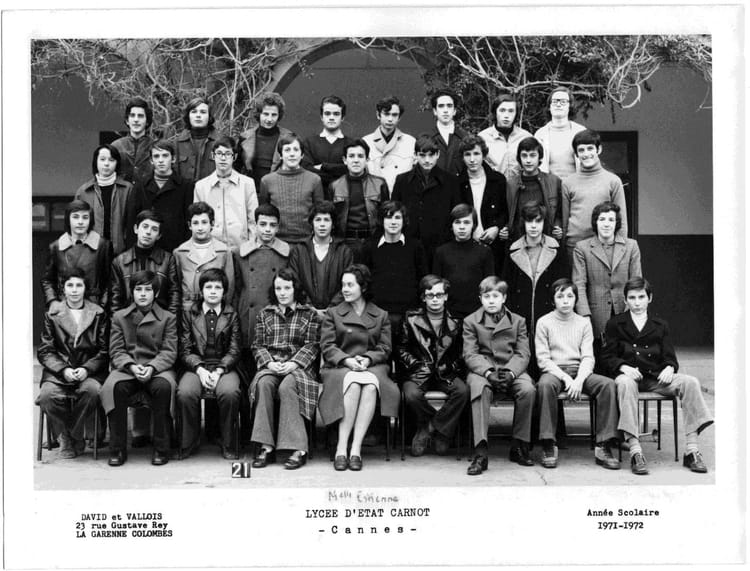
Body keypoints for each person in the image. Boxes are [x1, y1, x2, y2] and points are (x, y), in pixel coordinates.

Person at [601, 277, 714, 475]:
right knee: (625, 384)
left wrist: (670, 367)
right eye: (632, 298)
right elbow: (607, 357)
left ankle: (692, 450)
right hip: (628, 378)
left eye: (641, 297)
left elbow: (670, 357)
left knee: (690, 382)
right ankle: (635, 451)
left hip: (655, 379)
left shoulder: (660, 324)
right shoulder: (615, 323)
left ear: (650, 298)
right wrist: (623, 367)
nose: (637, 303)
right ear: (625, 300)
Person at [318, 264, 400, 471]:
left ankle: (355, 449)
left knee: (371, 386)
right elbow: (327, 346)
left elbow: (385, 347)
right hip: (339, 367)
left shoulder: (380, 315)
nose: (344, 289)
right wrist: (346, 360)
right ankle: (341, 447)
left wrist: (368, 359)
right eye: (343, 285)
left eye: (350, 285)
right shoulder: (333, 313)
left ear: (363, 287)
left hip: (371, 366)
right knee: (353, 385)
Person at [534, 278, 620, 469]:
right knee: (544, 385)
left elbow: (588, 357)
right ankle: (548, 443)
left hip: (580, 371)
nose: (565, 301)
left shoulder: (583, 323)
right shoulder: (544, 322)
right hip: (555, 372)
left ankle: (604, 445)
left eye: (570, 296)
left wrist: (579, 380)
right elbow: (543, 360)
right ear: (553, 300)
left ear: (576, 299)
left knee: (607, 385)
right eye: (560, 296)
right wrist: (566, 378)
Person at [101, 270, 178, 467]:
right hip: (128, 369)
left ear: (156, 293)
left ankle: (161, 448)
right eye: (138, 289)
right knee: (115, 388)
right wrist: (132, 366)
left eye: (148, 290)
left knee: (163, 388)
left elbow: (169, 351)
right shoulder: (120, 317)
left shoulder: (168, 318)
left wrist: (152, 367)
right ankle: (117, 449)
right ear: (132, 292)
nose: (143, 294)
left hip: (158, 369)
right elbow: (116, 350)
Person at [462, 276, 535, 474]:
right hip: (483, 370)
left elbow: (523, 353)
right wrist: (487, 372)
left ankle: (519, 445)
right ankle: (480, 452)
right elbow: (470, 354)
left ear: (504, 298)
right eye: (487, 297)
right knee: (479, 388)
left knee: (527, 389)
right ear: (480, 298)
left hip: (511, 368)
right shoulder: (471, 321)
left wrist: (511, 373)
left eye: (496, 296)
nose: (491, 301)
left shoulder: (518, 321)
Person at [250, 269, 321, 470]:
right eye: (278, 288)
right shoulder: (265, 314)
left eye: (287, 288)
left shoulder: (309, 314)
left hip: (299, 368)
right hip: (273, 366)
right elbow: (257, 345)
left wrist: (294, 363)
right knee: (263, 384)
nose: (282, 293)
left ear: (295, 289)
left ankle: (298, 449)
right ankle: (266, 447)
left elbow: (313, 344)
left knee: (287, 386)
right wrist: (269, 363)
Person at [37, 268, 108, 459]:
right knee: (47, 396)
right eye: (70, 285)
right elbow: (45, 350)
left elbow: (104, 350)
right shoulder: (52, 314)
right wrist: (63, 369)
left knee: (92, 392)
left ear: (85, 288)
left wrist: (87, 368)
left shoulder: (98, 313)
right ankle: (66, 437)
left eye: (79, 285)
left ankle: (71, 434)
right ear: (63, 289)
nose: (74, 290)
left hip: (89, 371)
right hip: (59, 372)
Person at [397, 275, 468, 456]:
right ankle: (433, 427)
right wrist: (416, 365)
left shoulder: (457, 321)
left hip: (445, 372)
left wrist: (451, 366)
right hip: (419, 371)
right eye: (430, 295)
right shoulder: (410, 318)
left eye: (439, 295)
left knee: (462, 392)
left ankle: (431, 429)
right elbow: (401, 349)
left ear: (446, 296)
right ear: (423, 297)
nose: (435, 299)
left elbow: (462, 352)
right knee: (411, 395)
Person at [178, 268, 242, 459]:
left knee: (230, 393)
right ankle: (190, 440)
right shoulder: (190, 313)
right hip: (197, 365)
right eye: (208, 287)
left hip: (224, 366)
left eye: (218, 287)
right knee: (185, 393)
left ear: (224, 291)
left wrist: (220, 370)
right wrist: (200, 370)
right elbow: (185, 349)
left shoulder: (231, 314)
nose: (213, 291)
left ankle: (228, 442)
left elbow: (235, 349)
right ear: (201, 290)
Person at [503, 202, 567, 372]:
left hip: (548, 315)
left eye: (538, 221)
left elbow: (563, 285)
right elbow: (507, 287)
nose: (533, 226)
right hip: (520, 316)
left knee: (547, 367)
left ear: (544, 223)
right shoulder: (512, 250)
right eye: (529, 221)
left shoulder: (556, 249)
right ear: (523, 223)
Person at [572, 201, 641, 344]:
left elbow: (636, 283)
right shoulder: (582, 248)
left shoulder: (631, 246)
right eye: (602, 219)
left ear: (617, 223)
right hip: (595, 316)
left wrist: (630, 313)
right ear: (595, 222)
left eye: (611, 220)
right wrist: (584, 315)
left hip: (624, 312)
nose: (606, 224)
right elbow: (579, 284)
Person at [392, 133, 461, 267]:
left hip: (441, 246)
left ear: (438, 154)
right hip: (410, 245)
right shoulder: (402, 181)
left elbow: (456, 214)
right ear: (415, 155)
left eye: (431, 155)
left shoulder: (450, 181)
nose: (427, 160)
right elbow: (395, 212)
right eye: (422, 155)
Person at [361, 201, 428, 337]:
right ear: (381, 220)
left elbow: (423, 279)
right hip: (377, 313)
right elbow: (363, 281)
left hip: (408, 314)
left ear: (404, 221)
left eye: (397, 217)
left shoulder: (415, 246)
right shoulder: (369, 247)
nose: (393, 222)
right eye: (388, 217)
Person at [233, 203, 290, 356]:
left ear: (278, 228)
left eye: (272, 225)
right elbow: (236, 288)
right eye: (263, 224)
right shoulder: (240, 253)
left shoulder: (286, 253)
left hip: (276, 316)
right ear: (255, 225)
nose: (267, 229)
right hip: (248, 315)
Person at [562, 129, 628, 263]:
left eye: (590, 148)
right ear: (576, 154)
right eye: (581, 150)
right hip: (574, 247)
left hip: (604, 245)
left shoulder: (613, 181)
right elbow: (564, 220)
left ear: (599, 150)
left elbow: (621, 220)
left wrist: (620, 249)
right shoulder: (567, 182)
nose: (586, 154)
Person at [41, 200, 111, 310]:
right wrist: (53, 302)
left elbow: (110, 281)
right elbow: (48, 280)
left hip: (94, 308)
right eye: (75, 217)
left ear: (91, 220)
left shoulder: (102, 245)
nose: (80, 222)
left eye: (85, 217)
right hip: (65, 307)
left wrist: (102, 306)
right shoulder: (56, 247)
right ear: (68, 219)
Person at [126, 139, 193, 253]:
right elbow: (132, 220)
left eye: (165, 156)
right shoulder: (140, 187)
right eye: (156, 156)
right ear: (151, 160)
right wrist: (132, 251)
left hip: (176, 248)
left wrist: (186, 250)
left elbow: (189, 222)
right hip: (147, 247)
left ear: (173, 159)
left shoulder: (186, 186)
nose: (161, 160)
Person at [258, 132, 325, 244]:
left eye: (296, 150)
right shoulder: (267, 181)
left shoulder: (314, 180)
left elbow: (319, 213)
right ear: (280, 155)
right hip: (276, 242)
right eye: (287, 150)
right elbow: (264, 215)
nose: (292, 154)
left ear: (302, 155)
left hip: (307, 243)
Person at [289, 201, 353, 316]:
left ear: (333, 224)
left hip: (337, 314)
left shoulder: (344, 251)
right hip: (305, 313)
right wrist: (310, 308)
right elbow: (295, 282)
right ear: (311, 223)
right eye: (318, 220)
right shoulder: (299, 251)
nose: (322, 224)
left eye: (326, 220)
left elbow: (349, 283)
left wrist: (331, 309)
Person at [329, 139, 389, 261]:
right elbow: (331, 219)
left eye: (360, 156)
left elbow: (386, 216)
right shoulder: (335, 186)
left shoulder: (380, 184)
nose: (356, 160)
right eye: (351, 156)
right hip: (344, 243)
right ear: (345, 160)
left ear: (367, 159)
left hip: (372, 241)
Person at [193, 135, 258, 249]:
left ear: (234, 157)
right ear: (213, 155)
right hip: (211, 249)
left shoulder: (247, 184)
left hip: (241, 248)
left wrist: (251, 247)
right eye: (219, 153)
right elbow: (197, 221)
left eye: (228, 154)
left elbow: (253, 220)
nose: (223, 158)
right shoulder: (201, 186)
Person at [432, 204, 495, 319]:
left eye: (466, 223)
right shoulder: (441, 252)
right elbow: (436, 286)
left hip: (476, 314)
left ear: (473, 225)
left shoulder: (484, 251)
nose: (462, 227)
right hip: (449, 315)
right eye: (457, 222)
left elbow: (489, 286)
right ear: (451, 225)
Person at [111, 209, 179, 315]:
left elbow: (174, 294)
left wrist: (169, 321)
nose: (148, 232)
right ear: (136, 229)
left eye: (154, 229)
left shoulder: (168, 260)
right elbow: (115, 300)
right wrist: (119, 323)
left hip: (159, 320)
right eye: (145, 226)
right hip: (128, 319)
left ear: (159, 235)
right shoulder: (120, 262)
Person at [457, 134, 508, 273]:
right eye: (467, 154)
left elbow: (505, 211)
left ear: (484, 155)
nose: (472, 159)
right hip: (466, 245)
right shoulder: (457, 183)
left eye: (476, 154)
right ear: (462, 157)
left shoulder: (498, 180)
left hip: (493, 244)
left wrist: (496, 228)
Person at [173, 202, 236, 313]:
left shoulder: (224, 252)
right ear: (189, 225)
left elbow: (229, 286)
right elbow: (177, 284)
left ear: (212, 224)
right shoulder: (180, 252)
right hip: (188, 309)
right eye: (195, 223)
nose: (200, 228)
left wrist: (223, 310)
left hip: (215, 309)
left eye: (204, 222)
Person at [74, 144, 133, 255]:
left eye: (111, 160)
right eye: (102, 159)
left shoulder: (127, 189)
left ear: (117, 163)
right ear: (95, 162)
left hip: (121, 254)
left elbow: (132, 224)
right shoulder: (84, 191)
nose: (106, 164)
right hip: (91, 254)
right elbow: (75, 226)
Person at [505, 136, 563, 243]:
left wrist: (558, 227)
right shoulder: (511, 184)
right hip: (519, 241)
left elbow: (560, 212)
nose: (528, 160)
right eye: (524, 156)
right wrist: (505, 229)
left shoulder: (554, 181)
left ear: (539, 157)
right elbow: (508, 214)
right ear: (519, 158)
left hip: (547, 241)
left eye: (532, 155)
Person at [238, 92, 293, 189]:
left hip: (278, 190)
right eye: (266, 114)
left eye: (274, 115)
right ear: (259, 114)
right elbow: (237, 168)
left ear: (279, 116)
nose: (269, 119)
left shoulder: (288, 138)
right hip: (250, 190)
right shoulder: (245, 137)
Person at [362, 95, 416, 194]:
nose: (390, 119)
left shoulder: (410, 142)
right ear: (378, 115)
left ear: (399, 117)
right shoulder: (366, 142)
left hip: (402, 198)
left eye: (394, 115)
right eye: (386, 114)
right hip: (375, 197)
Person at [301, 95, 355, 191]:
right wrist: (339, 171)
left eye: (336, 114)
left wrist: (323, 166)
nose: (331, 117)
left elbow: (352, 169)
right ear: (321, 117)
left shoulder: (352, 144)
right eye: (327, 113)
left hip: (343, 195)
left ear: (342, 117)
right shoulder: (309, 143)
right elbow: (307, 171)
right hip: (316, 195)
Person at [533, 86, 587, 178]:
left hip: (576, 185)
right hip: (549, 186)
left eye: (563, 102)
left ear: (570, 106)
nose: (558, 105)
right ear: (549, 107)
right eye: (554, 101)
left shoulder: (581, 132)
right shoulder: (540, 135)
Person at [478, 94, 532, 179]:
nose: (506, 115)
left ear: (516, 114)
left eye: (511, 111)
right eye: (502, 110)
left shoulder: (526, 137)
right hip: (493, 185)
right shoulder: (483, 138)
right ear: (495, 112)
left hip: (520, 185)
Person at [173, 96, 220, 184]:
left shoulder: (220, 142)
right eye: (194, 112)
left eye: (203, 112)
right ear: (188, 116)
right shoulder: (177, 143)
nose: (198, 115)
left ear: (209, 116)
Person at [111, 96, 155, 185]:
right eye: (132, 115)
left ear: (147, 121)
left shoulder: (155, 147)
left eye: (140, 116)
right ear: (127, 120)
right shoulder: (116, 146)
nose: (136, 120)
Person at [428, 88, 468, 177]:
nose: (445, 110)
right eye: (441, 106)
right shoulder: (427, 138)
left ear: (454, 111)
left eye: (449, 106)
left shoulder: (465, 137)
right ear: (435, 111)